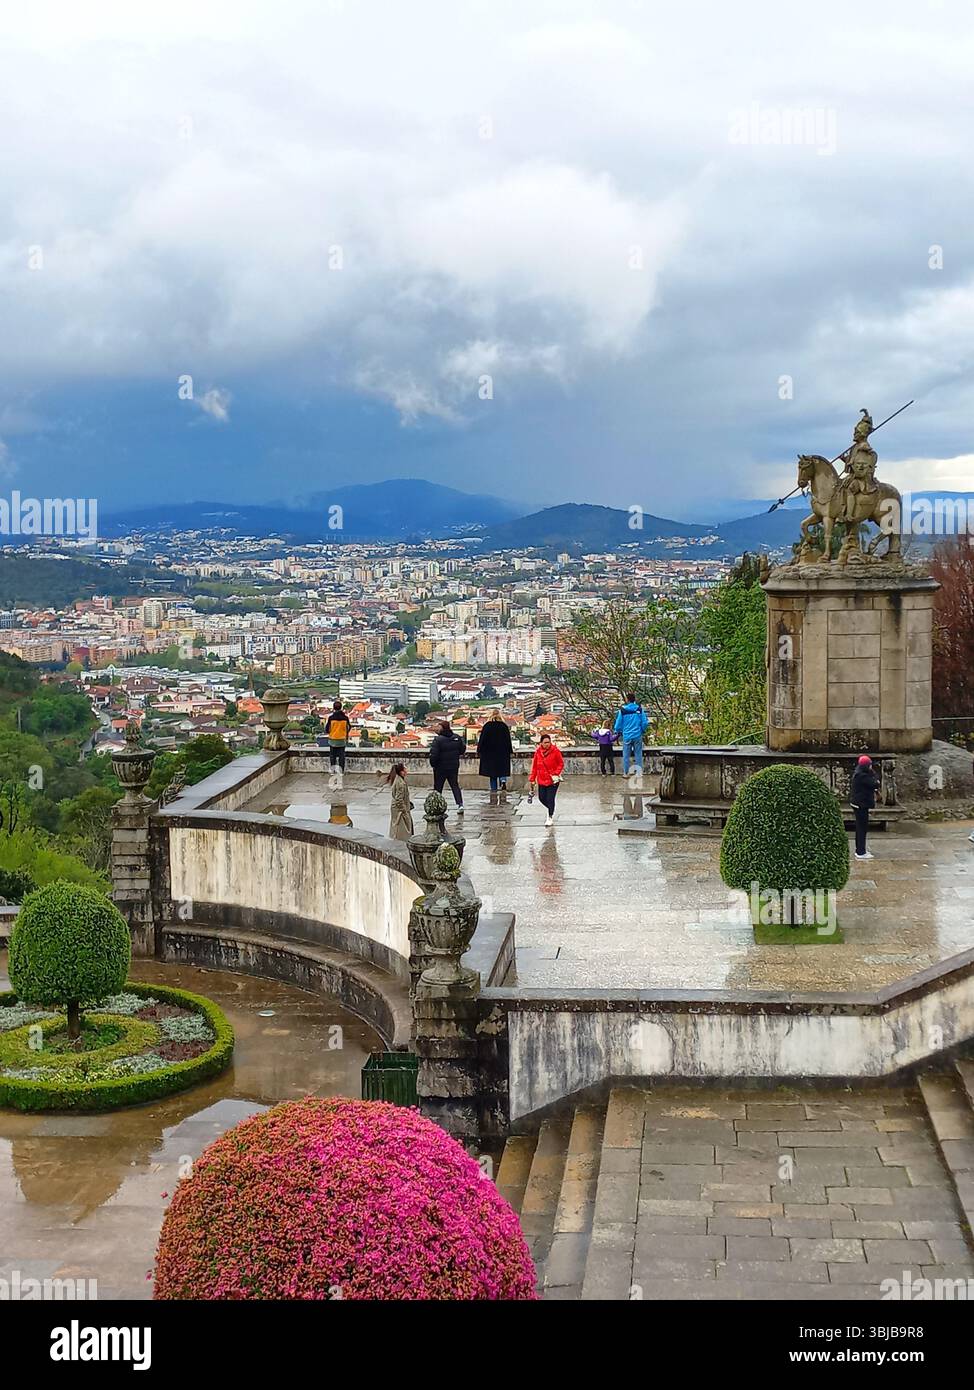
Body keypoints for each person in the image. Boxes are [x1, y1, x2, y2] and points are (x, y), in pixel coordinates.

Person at [428, 720, 465, 815]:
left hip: (440, 767)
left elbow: (434, 754)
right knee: (454, 785)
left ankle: (436, 805)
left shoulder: (438, 740)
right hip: (453, 766)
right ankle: (460, 804)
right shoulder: (456, 738)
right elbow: (462, 750)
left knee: (438, 787)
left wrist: (433, 764)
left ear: (442, 728)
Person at [528, 734, 564, 827]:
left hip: (553, 780)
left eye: (548, 742)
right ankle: (551, 808)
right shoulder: (538, 752)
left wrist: (556, 772)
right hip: (541, 779)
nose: (547, 744)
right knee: (542, 798)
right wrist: (532, 778)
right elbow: (535, 766)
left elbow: (561, 763)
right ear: (541, 743)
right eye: (545, 742)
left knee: (550, 798)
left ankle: (550, 816)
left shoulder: (555, 751)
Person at [850, 754, 881, 861]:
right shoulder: (862, 776)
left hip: (858, 804)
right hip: (861, 805)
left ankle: (860, 849)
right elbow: (875, 783)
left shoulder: (859, 773)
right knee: (861, 828)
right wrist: (874, 775)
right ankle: (860, 852)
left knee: (861, 827)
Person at [477, 710, 513, 795]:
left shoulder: (487, 726)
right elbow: (508, 740)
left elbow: (482, 740)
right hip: (502, 753)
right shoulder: (504, 726)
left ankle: (494, 790)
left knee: (492, 773)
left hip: (490, 754)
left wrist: (479, 750)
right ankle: (503, 781)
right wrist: (510, 751)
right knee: (502, 769)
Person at [614, 695, 649, 777]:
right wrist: (642, 730)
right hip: (637, 735)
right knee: (638, 754)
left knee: (626, 755)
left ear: (627, 700)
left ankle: (626, 773)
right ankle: (639, 773)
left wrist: (618, 731)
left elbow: (618, 724)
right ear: (634, 700)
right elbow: (644, 723)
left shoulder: (622, 711)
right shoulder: (639, 710)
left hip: (627, 736)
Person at [387, 762, 413, 841]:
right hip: (399, 811)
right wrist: (404, 811)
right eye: (405, 769)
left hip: (397, 809)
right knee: (401, 831)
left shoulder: (398, 780)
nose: (406, 770)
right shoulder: (400, 783)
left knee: (396, 828)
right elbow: (399, 800)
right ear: (401, 772)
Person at [323, 700, 351, 773]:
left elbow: (327, 729)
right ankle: (341, 771)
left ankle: (333, 771)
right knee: (342, 756)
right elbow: (349, 727)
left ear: (334, 708)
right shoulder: (345, 718)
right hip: (342, 739)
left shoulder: (331, 718)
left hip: (333, 740)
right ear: (341, 707)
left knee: (333, 756)